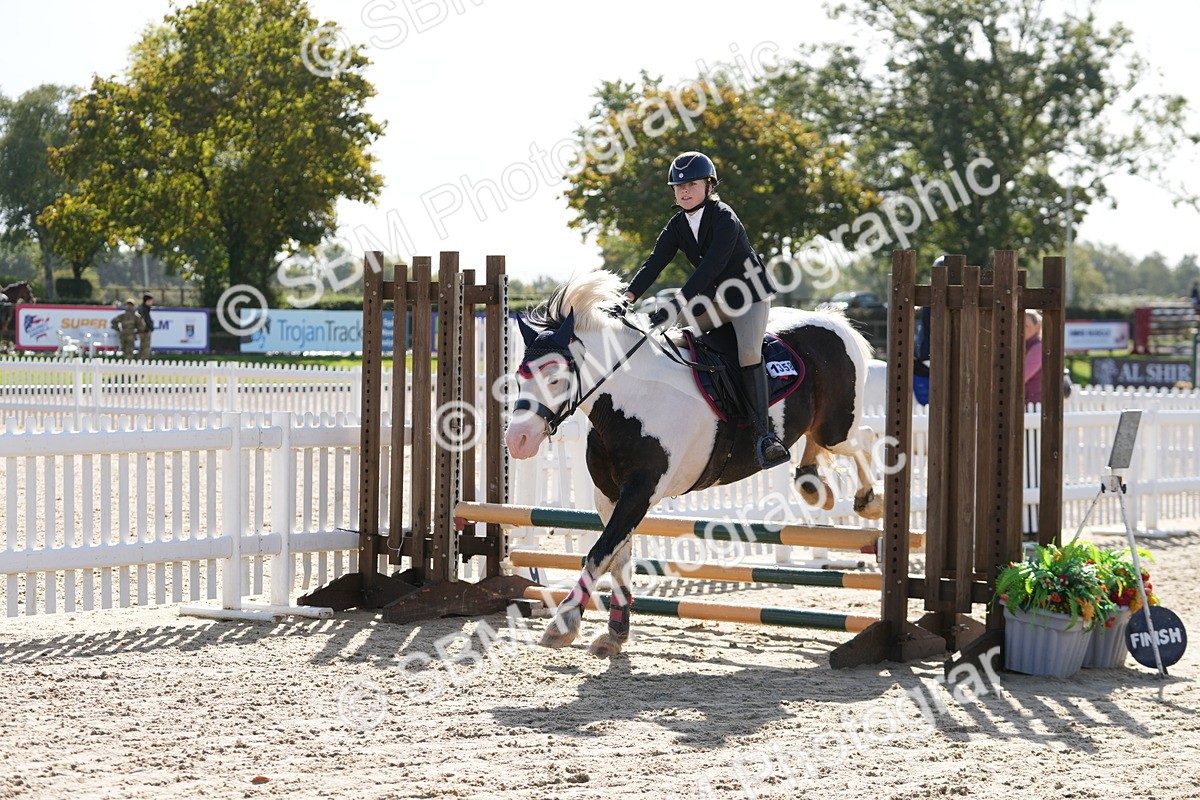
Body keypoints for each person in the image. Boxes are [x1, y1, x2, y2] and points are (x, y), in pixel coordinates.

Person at [621, 151, 788, 469]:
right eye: (678, 186)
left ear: (709, 186)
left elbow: (711, 267)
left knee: (748, 354)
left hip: (749, 297)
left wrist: (675, 303)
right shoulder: (676, 226)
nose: (683, 191)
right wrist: (625, 298)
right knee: (672, 335)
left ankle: (765, 436)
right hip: (715, 301)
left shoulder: (724, 216)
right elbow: (654, 263)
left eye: (692, 184)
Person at [1023, 310, 1043, 405]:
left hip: (1033, 404)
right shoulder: (1024, 346)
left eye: (1025, 326)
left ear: (1037, 327)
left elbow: (1022, 376)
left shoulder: (1038, 348)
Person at [137, 293, 154, 358]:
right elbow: (142, 320)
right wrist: (146, 328)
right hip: (144, 332)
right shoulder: (143, 309)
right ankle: (143, 362)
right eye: (151, 300)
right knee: (145, 348)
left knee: (144, 347)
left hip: (145, 331)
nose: (152, 302)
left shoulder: (146, 309)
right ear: (147, 300)